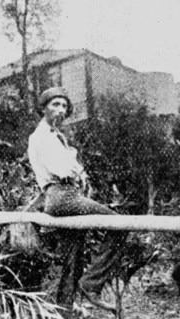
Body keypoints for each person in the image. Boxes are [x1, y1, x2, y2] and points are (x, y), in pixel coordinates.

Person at [27, 87, 128, 306]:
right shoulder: (42, 137)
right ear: (43, 108)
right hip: (63, 195)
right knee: (120, 225)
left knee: (73, 254)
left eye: (64, 106)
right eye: (55, 105)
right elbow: (64, 170)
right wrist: (76, 170)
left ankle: (64, 311)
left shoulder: (54, 136)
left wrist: (76, 170)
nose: (60, 110)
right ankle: (91, 284)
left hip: (62, 196)